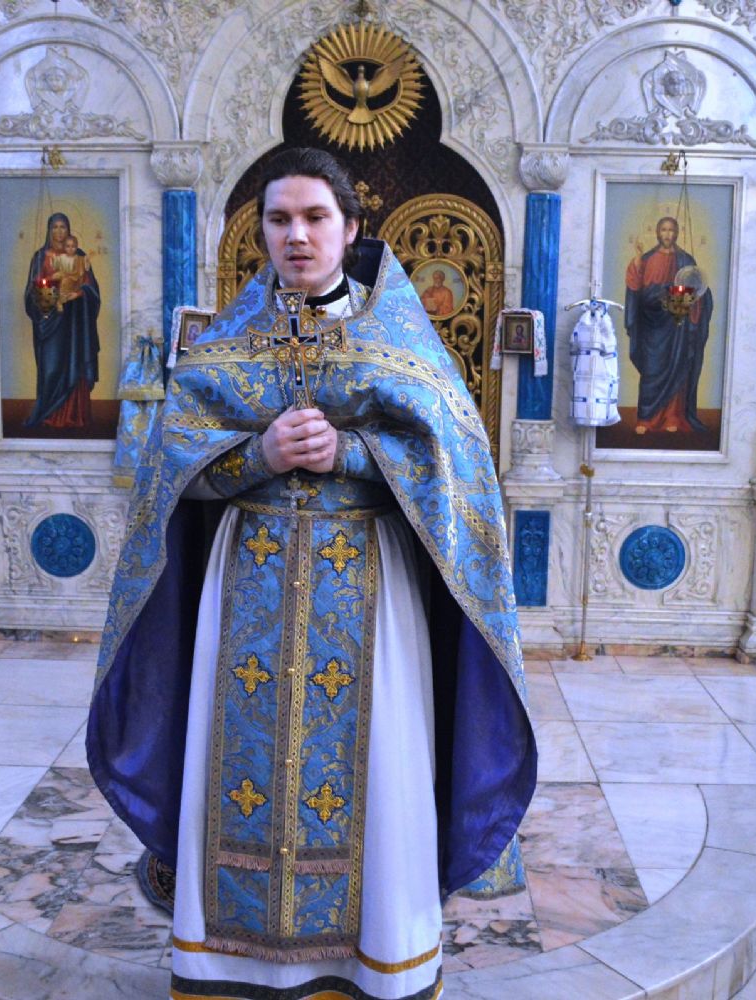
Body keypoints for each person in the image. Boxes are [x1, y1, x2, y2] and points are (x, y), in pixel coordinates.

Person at [86, 147, 535, 1000]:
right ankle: (230, 966)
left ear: (350, 228)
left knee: (377, 772)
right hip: (244, 587)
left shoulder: (399, 339)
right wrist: (253, 455)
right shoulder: (224, 346)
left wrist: (355, 453)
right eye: (279, 219)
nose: (297, 235)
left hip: (368, 589)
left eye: (315, 217)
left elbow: (453, 466)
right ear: (259, 232)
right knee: (235, 765)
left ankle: (374, 962)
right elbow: (168, 479)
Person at [623, 216, 714, 435]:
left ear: (677, 233)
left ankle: (673, 416)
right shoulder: (646, 259)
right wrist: (636, 264)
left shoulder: (686, 260)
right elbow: (636, 290)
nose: (667, 234)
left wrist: (697, 297)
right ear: (657, 232)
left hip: (676, 326)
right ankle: (646, 419)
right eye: (663, 229)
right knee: (651, 370)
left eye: (671, 230)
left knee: (677, 366)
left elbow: (697, 289)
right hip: (650, 325)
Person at [22, 212, 101, 428]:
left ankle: (74, 416)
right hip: (50, 322)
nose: (59, 232)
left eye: (63, 227)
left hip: (75, 324)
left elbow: (91, 288)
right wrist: (44, 296)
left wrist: (78, 293)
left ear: (69, 230)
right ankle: (47, 414)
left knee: (75, 365)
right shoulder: (40, 257)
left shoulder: (80, 255)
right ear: (49, 230)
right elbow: (31, 291)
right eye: (55, 227)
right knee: (50, 369)